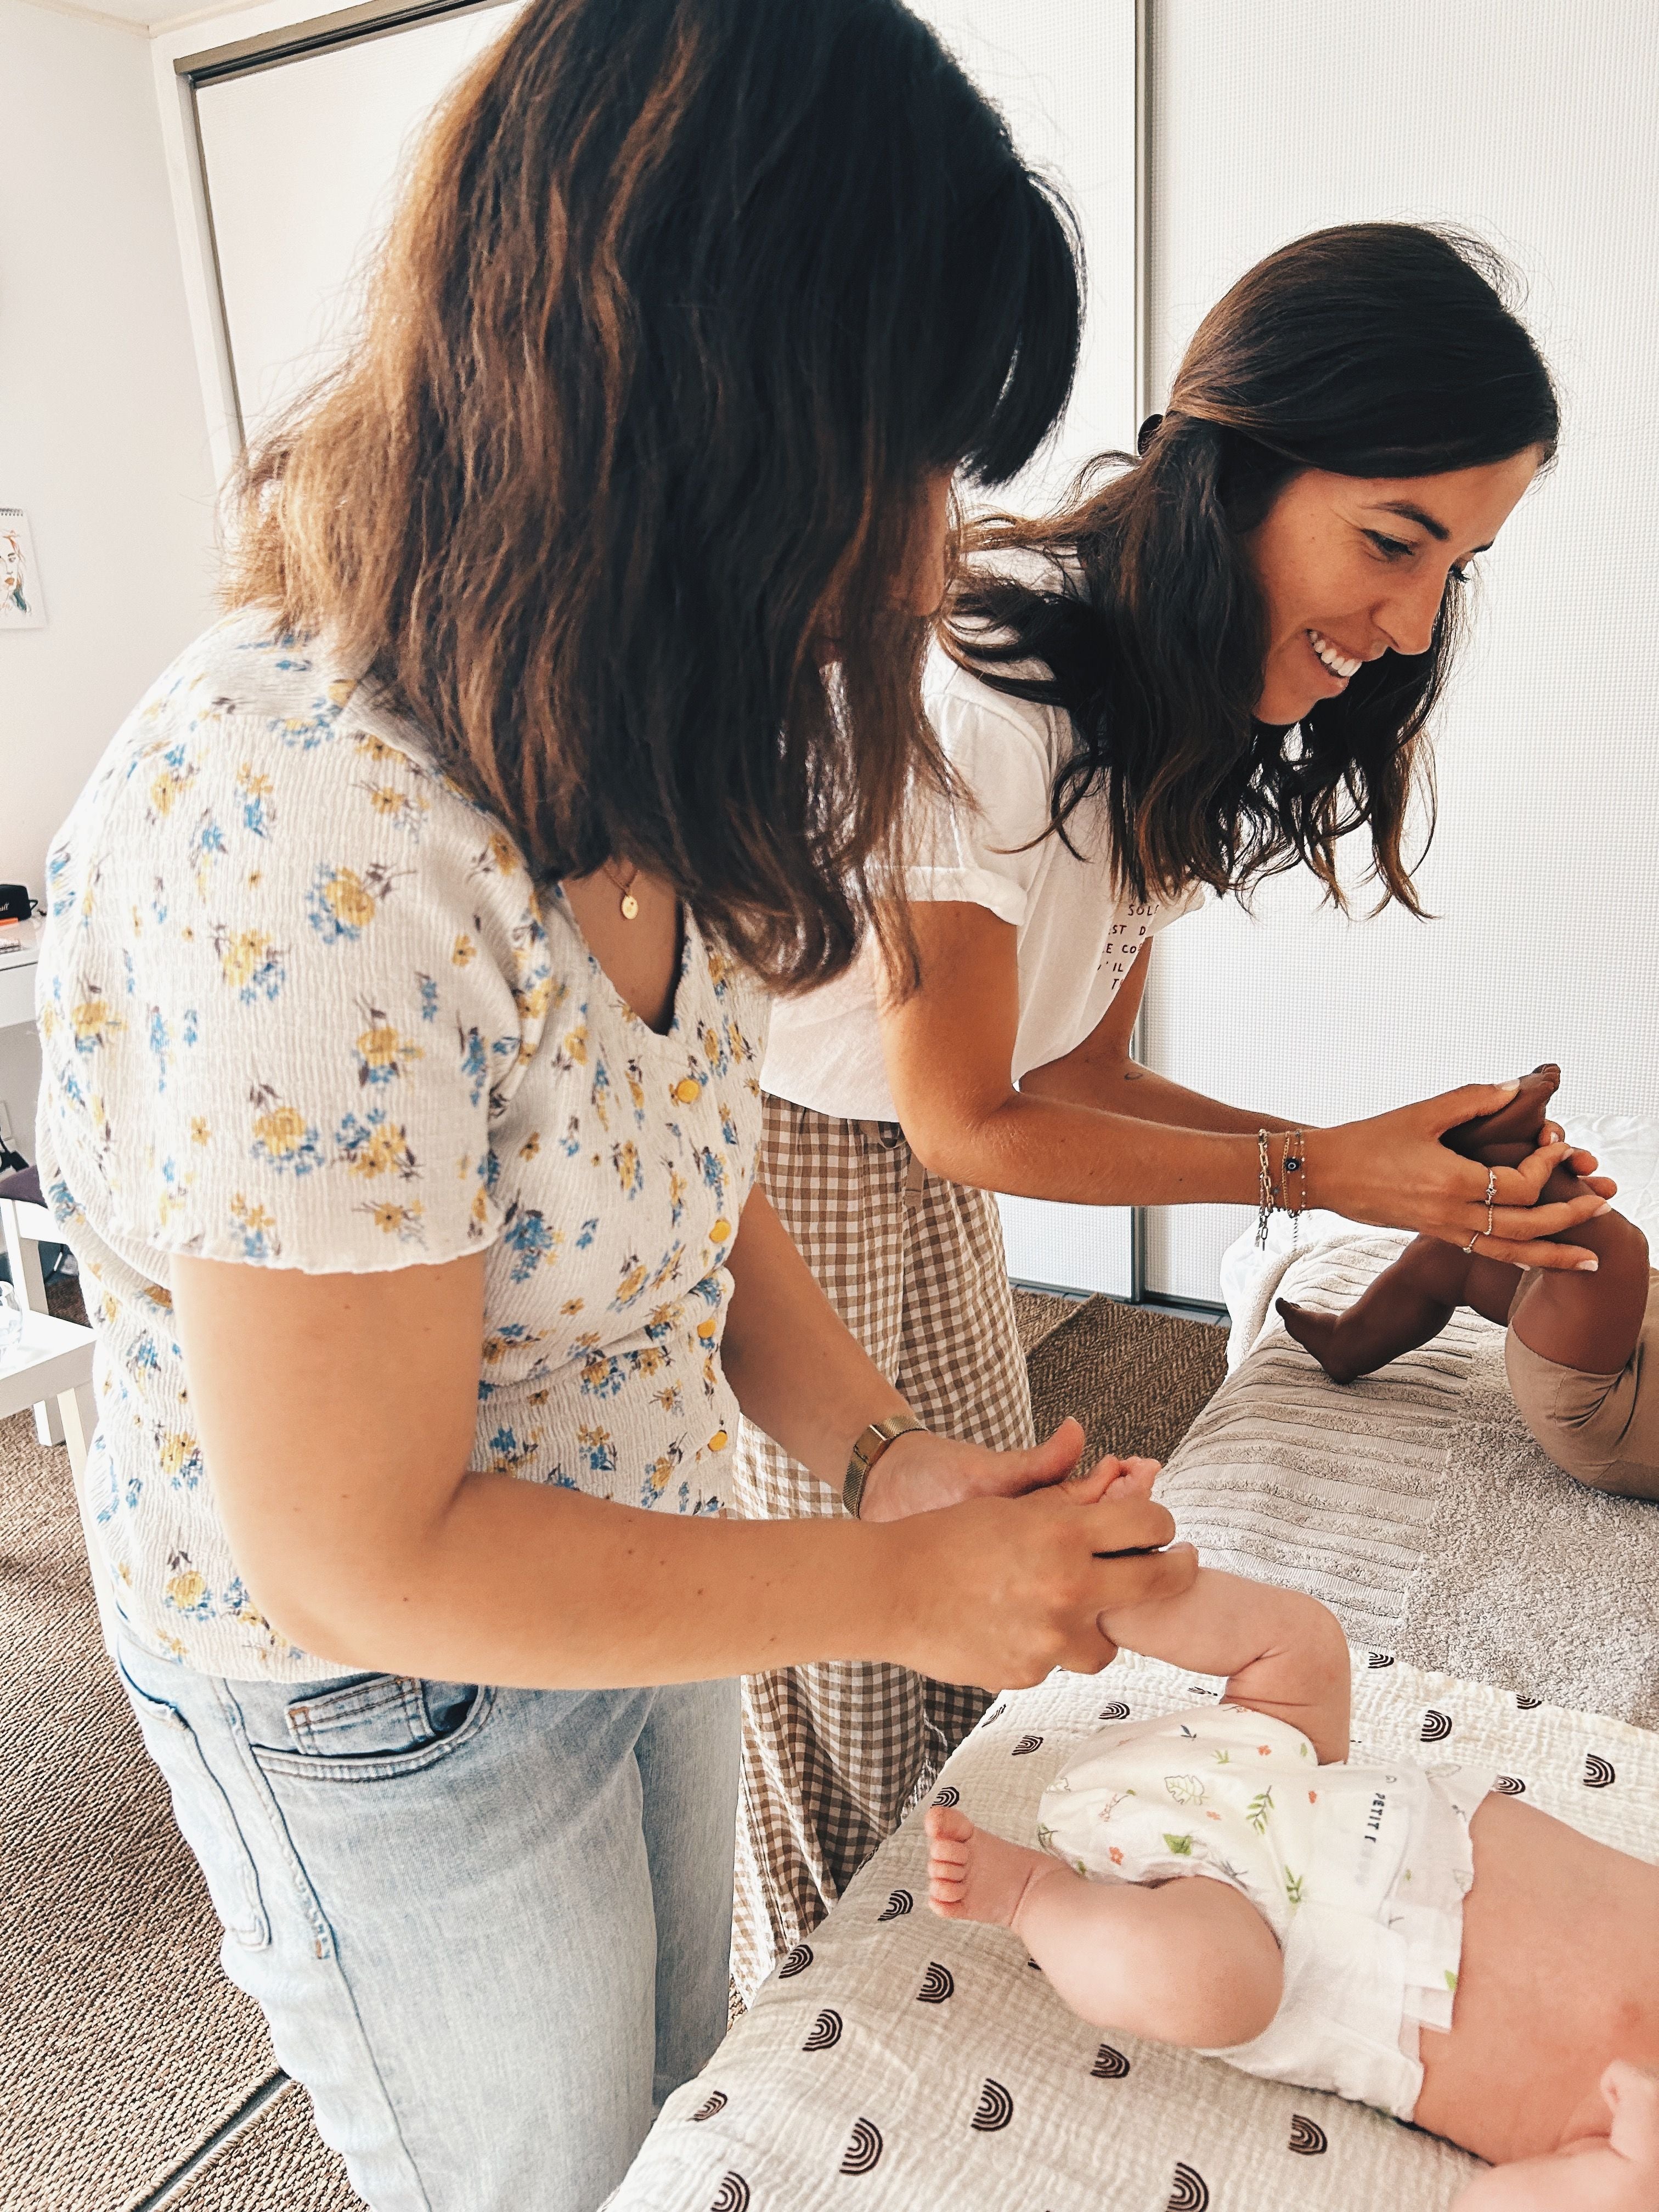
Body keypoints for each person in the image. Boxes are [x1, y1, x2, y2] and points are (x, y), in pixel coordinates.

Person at [31, 6, 1199, 2207]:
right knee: (552, 2176)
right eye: (905, 465)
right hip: (384, 1702)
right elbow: (368, 1550)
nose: (933, 561)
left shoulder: (650, 709)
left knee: (685, 2107)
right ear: (694, 407)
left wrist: (881, 1463)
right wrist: (888, 1594)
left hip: (640, 1554)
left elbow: (676, 1158)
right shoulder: (301, 825)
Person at [735, 221, 1611, 1995]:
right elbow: (962, 1112)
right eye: (1391, 540)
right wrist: (1325, 1174)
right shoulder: (989, 688)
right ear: (1234, 463)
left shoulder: (1167, 714)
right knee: (834, 1680)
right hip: (795, 1182)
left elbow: (1073, 1076)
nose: (1409, 622)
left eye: (1457, 565)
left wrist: (1378, 1171)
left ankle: (954, 1966)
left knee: (995, 1610)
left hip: (920, 1180)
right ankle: (814, 2053)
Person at [924, 1475, 1659, 2211]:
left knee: (1207, 1985)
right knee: (1304, 1642)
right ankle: (1090, 1584)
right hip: (1302, 1770)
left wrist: (1631, 2177)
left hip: (1279, 1945)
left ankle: (1031, 1896)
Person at [1279, 1065, 1657, 1500]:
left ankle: (1505, 1161)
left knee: (1612, 1255)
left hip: (1614, 1405)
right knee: (1455, 1250)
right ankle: (1347, 1343)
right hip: (1633, 1318)